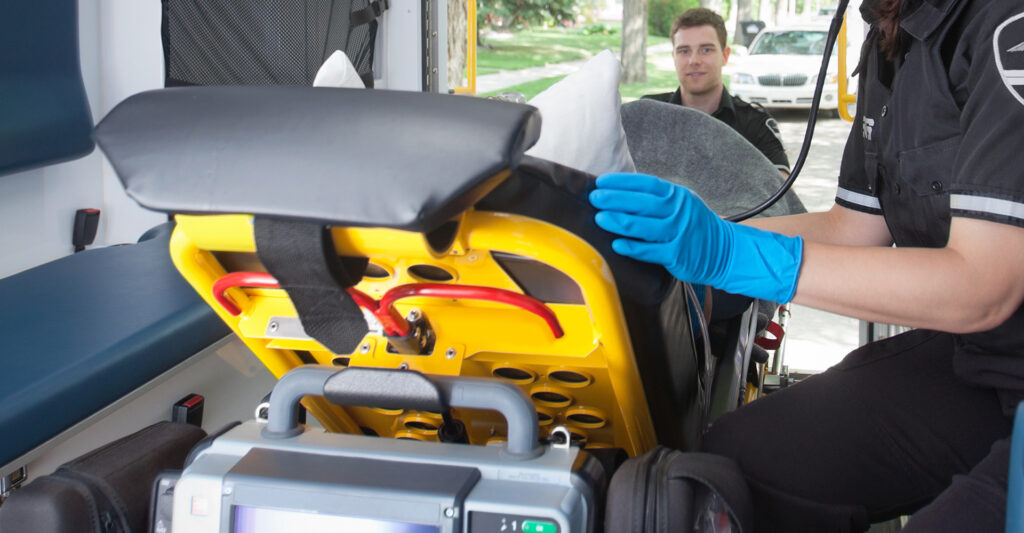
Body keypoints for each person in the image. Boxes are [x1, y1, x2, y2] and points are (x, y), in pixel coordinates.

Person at [589, 0, 1024, 530]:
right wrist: (706, 237)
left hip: (999, 336)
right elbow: (855, 228)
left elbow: (983, 286)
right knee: (730, 464)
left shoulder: (1004, 24)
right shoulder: (892, 34)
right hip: (980, 363)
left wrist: (731, 254)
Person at [645, 8, 791, 176]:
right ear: (674, 57)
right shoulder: (649, 115)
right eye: (684, 51)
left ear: (725, 55)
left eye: (706, 50)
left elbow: (783, 193)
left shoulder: (755, 124)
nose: (694, 61)